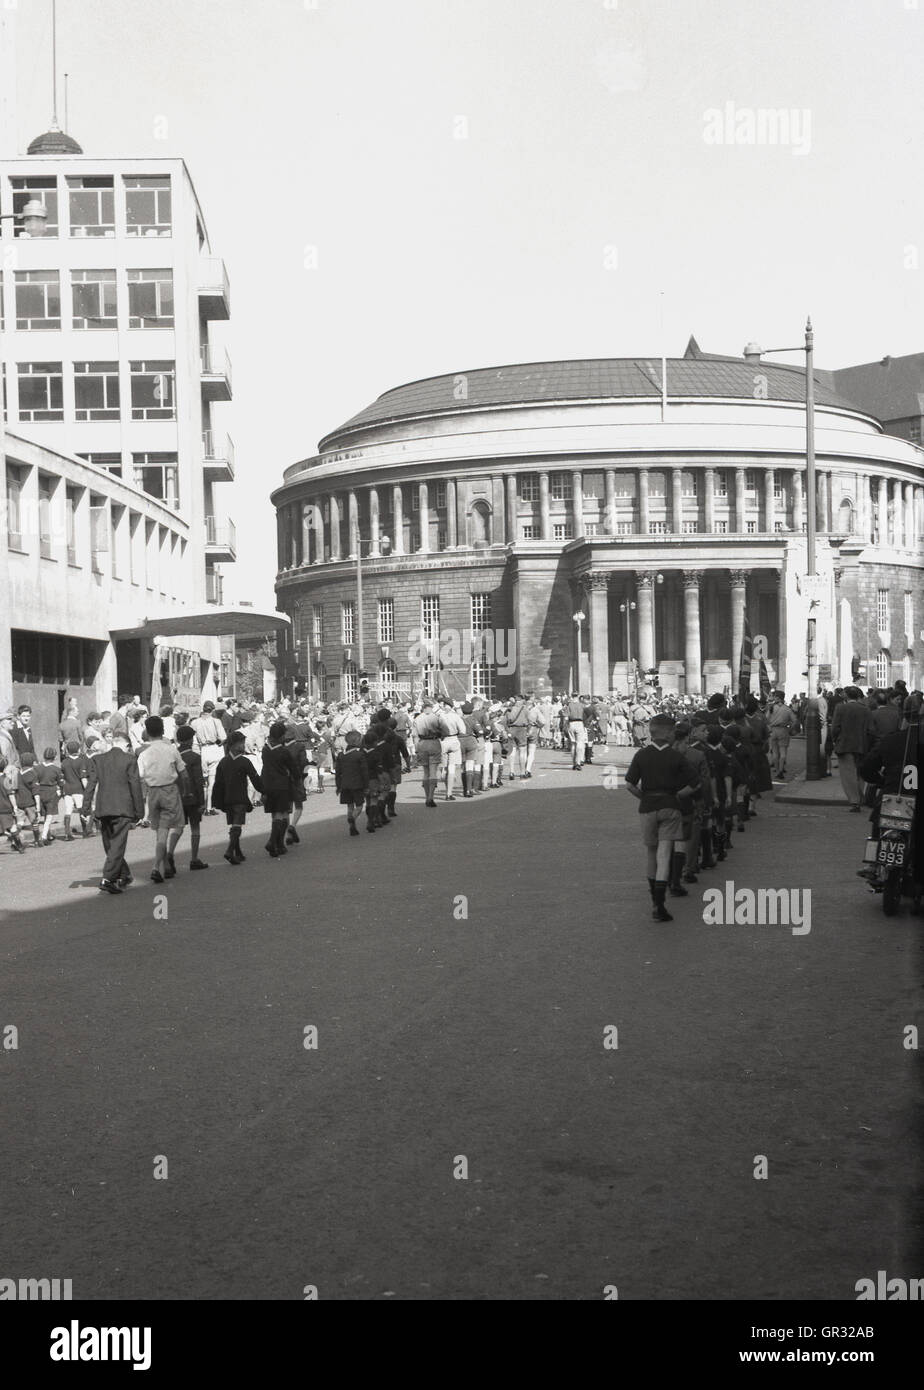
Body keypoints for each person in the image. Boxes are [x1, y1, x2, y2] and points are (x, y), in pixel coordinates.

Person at [624, 713, 701, 922]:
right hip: (670, 806)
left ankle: (653, 901)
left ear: (651, 732)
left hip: (648, 807)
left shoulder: (641, 755)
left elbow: (630, 784)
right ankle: (660, 905)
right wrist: (678, 795)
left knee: (651, 853)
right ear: (669, 733)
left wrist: (644, 796)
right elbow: (696, 784)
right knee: (664, 854)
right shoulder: (676, 757)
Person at [83, 730, 145, 893]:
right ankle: (108, 878)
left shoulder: (98, 759)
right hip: (123, 808)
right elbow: (135, 786)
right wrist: (140, 811)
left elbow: (91, 784)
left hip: (104, 807)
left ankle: (124, 874)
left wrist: (85, 807)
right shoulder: (130, 759)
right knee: (117, 844)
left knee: (110, 844)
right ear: (125, 744)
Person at [136, 714, 188, 883]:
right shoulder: (171, 749)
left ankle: (164, 865)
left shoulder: (144, 754)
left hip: (153, 792)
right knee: (174, 827)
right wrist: (186, 790)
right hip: (169, 790)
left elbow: (140, 777)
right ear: (163, 731)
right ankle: (156, 866)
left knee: (160, 831)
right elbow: (184, 774)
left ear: (147, 732)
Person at [211, 731, 264, 864]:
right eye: (241, 743)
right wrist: (264, 791)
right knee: (237, 825)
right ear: (234, 745)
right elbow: (255, 779)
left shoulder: (223, 762)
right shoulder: (244, 761)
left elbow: (218, 784)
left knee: (234, 825)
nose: (243, 746)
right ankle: (229, 850)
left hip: (227, 799)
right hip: (240, 797)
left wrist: (217, 802)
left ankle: (238, 852)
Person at [260, 720, 300, 857]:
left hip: (268, 784)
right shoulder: (283, 751)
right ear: (281, 736)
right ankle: (274, 842)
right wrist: (297, 778)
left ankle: (277, 844)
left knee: (274, 815)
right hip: (282, 785)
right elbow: (293, 768)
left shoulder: (265, 749)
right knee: (282, 814)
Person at [831, 685, 872, 812]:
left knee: (848, 775)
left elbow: (835, 727)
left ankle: (855, 801)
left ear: (847, 696)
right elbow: (870, 730)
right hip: (862, 745)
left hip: (845, 745)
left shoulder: (841, 708)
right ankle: (860, 797)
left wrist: (835, 739)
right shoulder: (865, 709)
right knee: (860, 774)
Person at [175, 725, 209, 869]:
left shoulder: (174, 754)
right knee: (195, 828)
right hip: (193, 797)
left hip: (178, 796)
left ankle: (169, 854)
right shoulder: (194, 757)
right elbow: (198, 780)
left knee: (177, 827)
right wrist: (202, 802)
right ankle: (194, 858)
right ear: (190, 740)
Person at [192, 701, 226, 814]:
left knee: (204, 781)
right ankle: (209, 807)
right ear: (212, 710)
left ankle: (203, 804)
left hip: (202, 750)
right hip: (214, 749)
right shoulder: (216, 721)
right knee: (212, 780)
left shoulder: (195, 722)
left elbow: (194, 741)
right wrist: (217, 741)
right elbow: (222, 738)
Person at [335, 730, 369, 836]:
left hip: (344, 785)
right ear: (357, 740)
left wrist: (338, 786)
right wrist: (366, 786)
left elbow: (338, 772)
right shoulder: (359, 755)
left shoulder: (340, 755)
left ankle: (352, 826)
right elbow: (364, 772)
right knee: (359, 806)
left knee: (350, 806)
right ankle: (353, 818)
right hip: (357, 784)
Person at [414, 699, 446, 808]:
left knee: (425, 771)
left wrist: (416, 748)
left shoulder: (417, 718)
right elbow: (444, 731)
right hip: (433, 742)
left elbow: (414, 735)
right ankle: (431, 797)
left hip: (422, 743)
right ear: (431, 707)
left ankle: (427, 796)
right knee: (433, 771)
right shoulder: (436, 718)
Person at [35, 746, 65, 845]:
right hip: (51, 792)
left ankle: (48, 834)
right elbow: (61, 784)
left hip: (40, 791)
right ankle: (44, 836)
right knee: (49, 816)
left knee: (44, 816)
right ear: (54, 757)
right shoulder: (56, 769)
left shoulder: (37, 768)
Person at [767, 690, 796, 779]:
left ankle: (777, 770)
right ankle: (781, 770)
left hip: (773, 730)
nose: (773, 698)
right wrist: (790, 728)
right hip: (783, 730)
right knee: (783, 752)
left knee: (775, 752)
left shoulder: (772, 708)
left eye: (775, 696)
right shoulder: (787, 709)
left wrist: (770, 727)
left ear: (778, 698)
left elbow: (766, 719)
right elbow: (794, 721)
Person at [15, 751, 41, 848]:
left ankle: (15, 840)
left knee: (20, 822)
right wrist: (38, 804)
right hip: (30, 803)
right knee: (34, 821)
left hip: (19, 802)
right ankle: (37, 841)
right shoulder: (32, 773)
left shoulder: (18, 773)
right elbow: (35, 791)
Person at [0, 758, 26, 853]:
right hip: (5, 808)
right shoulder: (6, 780)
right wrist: (15, 807)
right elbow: (11, 795)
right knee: (12, 827)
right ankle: (19, 846)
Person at [564, 693, 586, 770]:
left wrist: (565, 726)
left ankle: (574, 763)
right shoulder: (582, 705)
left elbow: (566, 717)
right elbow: (585, 715)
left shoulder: (569, 705)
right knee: (580, 743)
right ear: (578, 696)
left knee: (573, 744)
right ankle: (578, 762)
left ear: (571, 697)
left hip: (571, 723)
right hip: (580, 723)